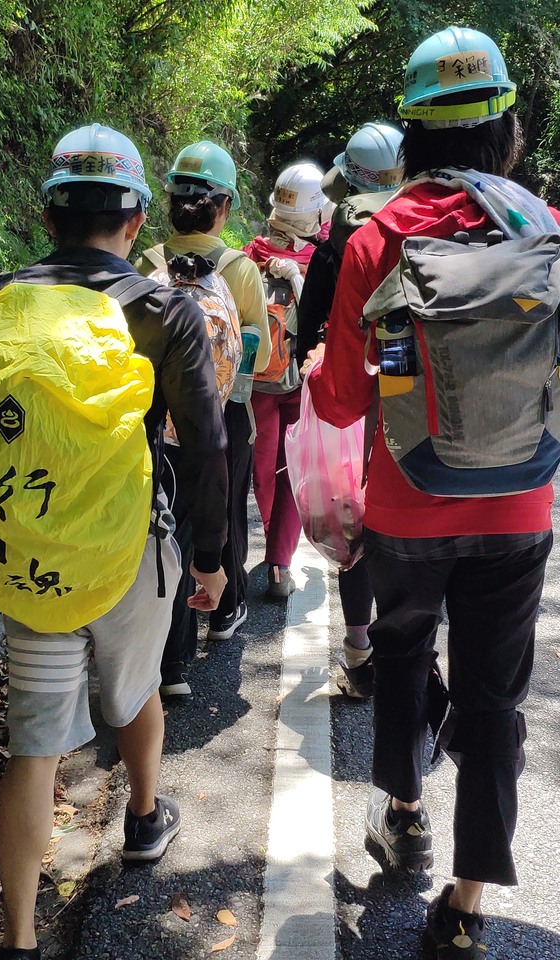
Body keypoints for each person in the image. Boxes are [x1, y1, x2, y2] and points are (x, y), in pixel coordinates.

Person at [0, 124, 229, 960]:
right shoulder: (161, 309)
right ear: (136, 219)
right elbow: (206, 443)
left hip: (29, 555)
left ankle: (21, 940)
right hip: (128, 550)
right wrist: (208, 559)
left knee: (32, 747)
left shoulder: (0, 301)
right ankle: (143, 819)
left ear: (49, 214)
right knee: (136, 688)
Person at [307, 26, 559, 959]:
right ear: (508, 129)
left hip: (408, 502)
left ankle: (406, 810)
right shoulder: (546, 230)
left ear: (411, 135)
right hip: (520, 503)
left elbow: (337, 398)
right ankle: (466, 903)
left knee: (406, 653)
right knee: (495, 698)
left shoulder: (378, 239)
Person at [136, 141, 270, 695]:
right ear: (224, 207)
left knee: (166, 522)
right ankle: (225, 610)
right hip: (224, 411)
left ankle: (169, 659)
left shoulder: (147, 262)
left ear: (169, 202)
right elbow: (259, 356)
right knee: (223, 507)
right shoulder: (239, 269)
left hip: (155, 416)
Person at [297, 121, 404, 698]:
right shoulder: (422, 227)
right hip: (414, 407)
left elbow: (305, 338)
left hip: (353, 409)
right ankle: (411, 646)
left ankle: (360, 651)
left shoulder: (335, 247)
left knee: (352, 521)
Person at [243, 161, 327, 601]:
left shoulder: (250, 254)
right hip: (303, 380)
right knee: (293, 467)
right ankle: (279, 560)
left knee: (264, 469)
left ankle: (273, 551)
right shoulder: (325, 259)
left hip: (259, 380)